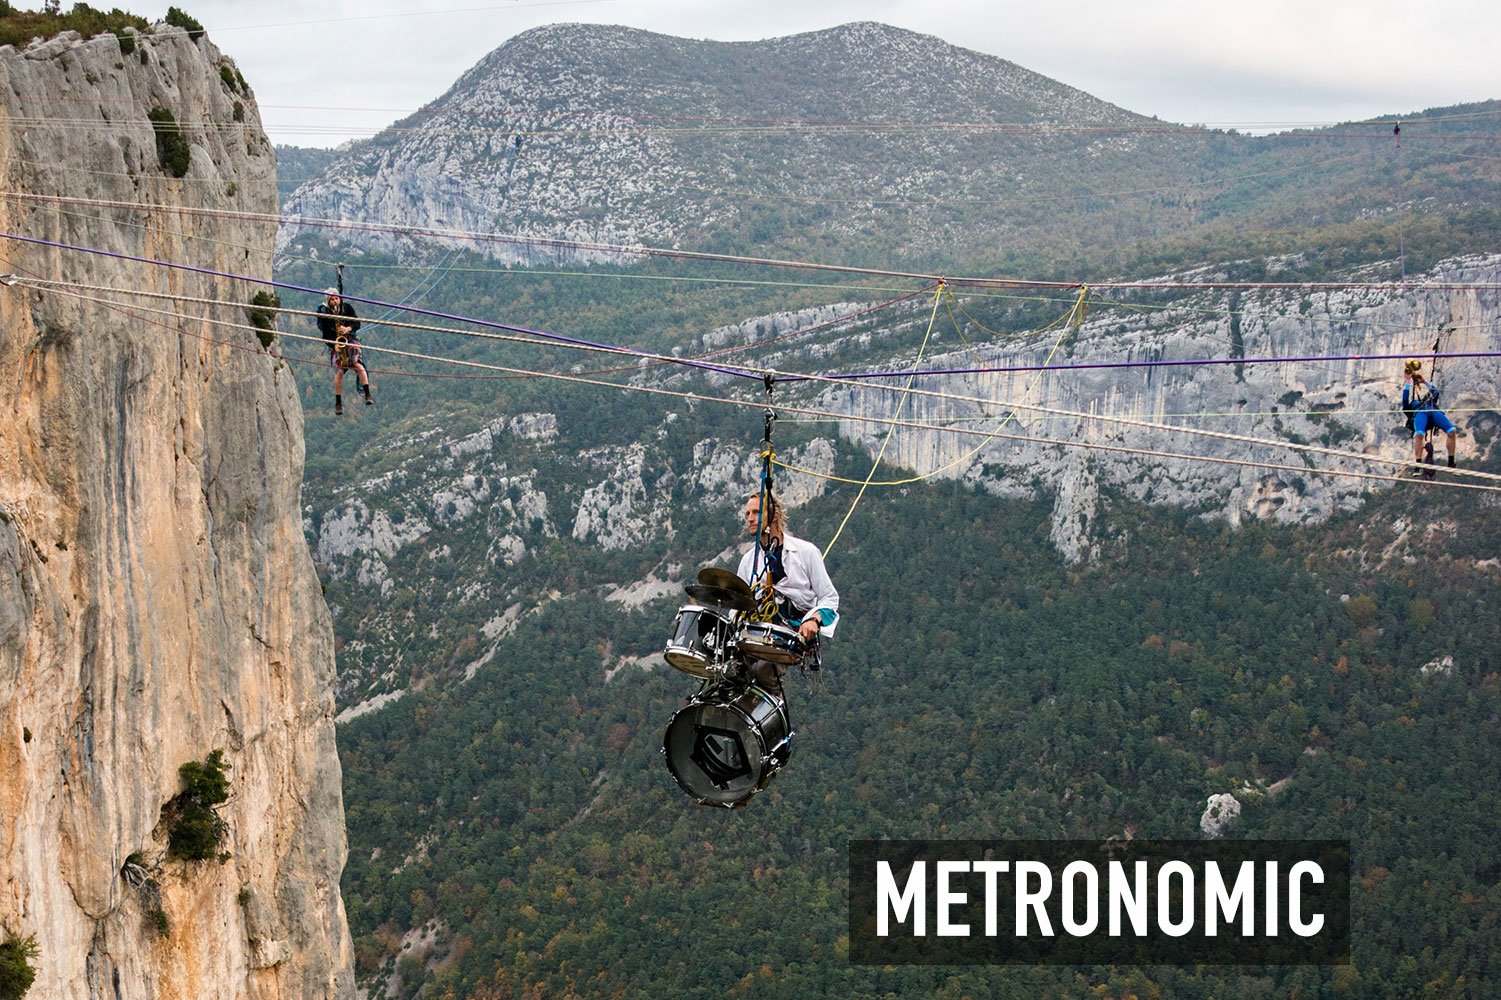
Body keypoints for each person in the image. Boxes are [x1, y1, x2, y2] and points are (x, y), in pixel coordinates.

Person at [736, 490, 839, 695]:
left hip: (789, 632)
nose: (749, 519)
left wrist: (814, 621)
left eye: (755, 512)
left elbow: (830, 598)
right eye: (747, 514)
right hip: (755, 628)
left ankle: (773, 706)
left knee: (765, 670)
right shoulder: (749, 560)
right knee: (731, 671)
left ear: (773, 515)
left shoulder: (806, 552)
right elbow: (738, 602)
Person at [316, 287, 371, 415]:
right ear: (328, 302)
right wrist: (333, 344)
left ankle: (367, 394)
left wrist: (347, 328)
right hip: (336, 343)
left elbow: (357, 323)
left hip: (351, 339)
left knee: (358, 364)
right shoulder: (326, 315)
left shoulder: (347, 308)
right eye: (332, 299)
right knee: (340, 372)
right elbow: (325, 335)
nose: (335, 301)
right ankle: (338, 403)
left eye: (337, 299)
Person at [1401, 359, 1456, 474]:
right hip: (1421, 415)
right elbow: (1405, 401)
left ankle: (1451, 462)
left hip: (1433, 411)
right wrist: (1407, 381)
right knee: (1419, 434)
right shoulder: (1412, 408)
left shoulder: (1430, 401)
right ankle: (1417, 465)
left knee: (1452, 431)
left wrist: (1424, 381)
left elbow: (1435, 392)